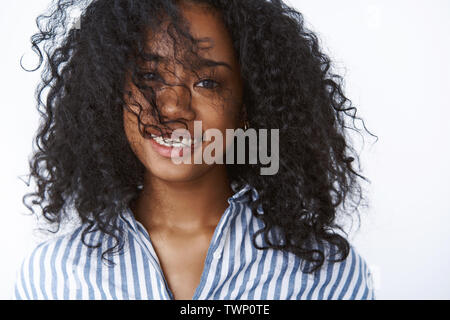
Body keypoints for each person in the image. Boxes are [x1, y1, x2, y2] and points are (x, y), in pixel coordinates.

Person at [14, 0, 376, 300]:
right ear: (114, 92)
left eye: (207, 82)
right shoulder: (53, 277)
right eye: (150, 77)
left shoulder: (328, 276)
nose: (172, 107)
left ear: (248, 107)